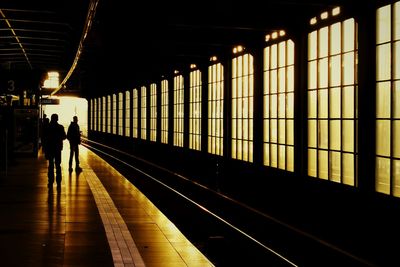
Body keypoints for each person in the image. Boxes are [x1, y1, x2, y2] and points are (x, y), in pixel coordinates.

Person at [46, 113, 66, 189]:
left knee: (51, 165)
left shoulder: (48, 127)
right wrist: (58, 138)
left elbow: (45, 138)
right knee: (58, 165)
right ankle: (58, 182)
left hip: (50, 149)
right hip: (57, 149)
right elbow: (64, 137)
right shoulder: (60, 127)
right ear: (57, 119)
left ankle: (50, 181)